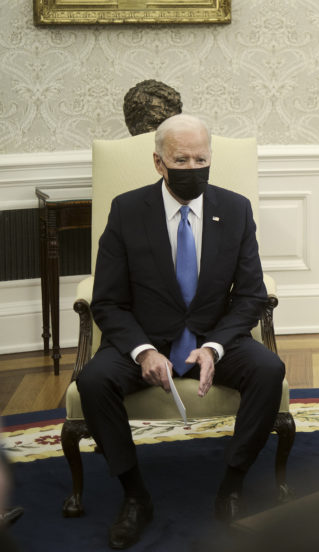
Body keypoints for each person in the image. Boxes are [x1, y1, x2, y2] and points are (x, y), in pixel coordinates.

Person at [77, 113, 285, 549]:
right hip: (147, 336)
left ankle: (231, 485)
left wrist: (214, 347)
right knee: (93, 381)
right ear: (159, 162)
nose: (192, 168)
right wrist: (142, 351)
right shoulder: (127, 210)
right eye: (181, 159)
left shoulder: (235, 208)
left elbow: (250, 295)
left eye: (201, 159)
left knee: (269, 369)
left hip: (215, 336)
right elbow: (108, 301)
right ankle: (135, 495)